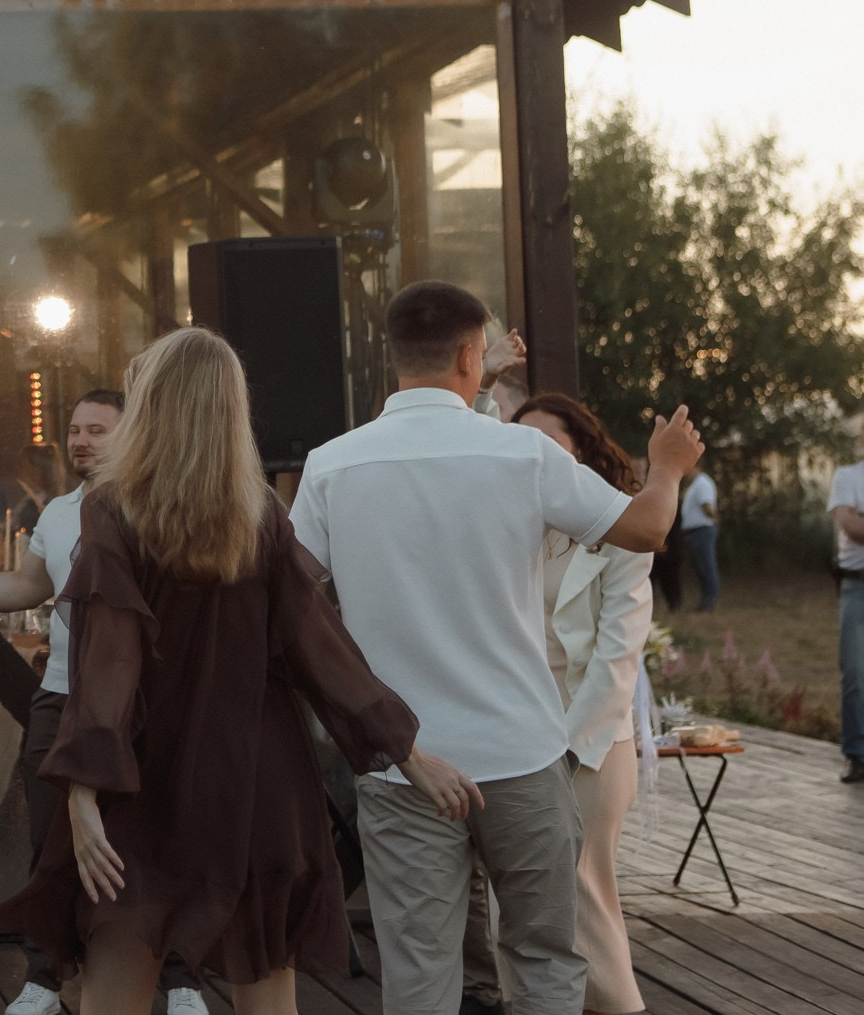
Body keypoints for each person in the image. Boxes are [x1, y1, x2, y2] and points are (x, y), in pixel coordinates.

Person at [0, 329, 475, 1015]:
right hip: (257, 777)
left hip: (149, 778)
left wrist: (82, 793)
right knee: (264, 981)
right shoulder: (260, 514)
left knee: (118, 975)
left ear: (154, 405)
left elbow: (110, 658)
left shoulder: (112, 507)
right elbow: (319, 646)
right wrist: (409, 751)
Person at [290, 280, 700, 1015]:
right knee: (543, 958)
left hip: (401, 765)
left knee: (419, 974)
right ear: (471, 355)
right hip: (521, 751)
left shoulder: (332, 464)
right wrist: (667, 463)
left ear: (393, 357)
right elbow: (644, 530)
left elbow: (289, 596)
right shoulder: (521, 455)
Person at [0, 390, 207, 1015]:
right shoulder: (60, 512)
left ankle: (179, 979)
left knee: (157, 842)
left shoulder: (164, 509)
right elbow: (26, 585)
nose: (82, 440)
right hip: (62, 697)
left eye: (98, 429)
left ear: (133, 433)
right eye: (75, 429)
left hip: (151, 707)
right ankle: (48, 976)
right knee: (50, 842)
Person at [510, 393, 654, 1015]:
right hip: (514, 733)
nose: (533, 457)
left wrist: (564, 750)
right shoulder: (505, 523)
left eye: (549, 445)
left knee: (580, 902)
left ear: (582, 454)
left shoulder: (623, 529)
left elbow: (617, 660)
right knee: (516, 910)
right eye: (523, 444)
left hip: (588, 741)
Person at [831, 453, 864, 784]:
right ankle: (857, 754)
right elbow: (852, 527)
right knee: (854, 672)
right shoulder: (848, 477)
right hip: (857, 585)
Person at [678, 454, 722, 612]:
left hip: (702, 530)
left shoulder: (703, 483)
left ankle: (710, 602)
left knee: (707, 566)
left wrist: (714, 519)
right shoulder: (695, 484)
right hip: (695, 532)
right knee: (701, 567)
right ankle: (706, 599)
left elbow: (707, 506)